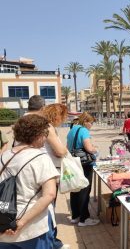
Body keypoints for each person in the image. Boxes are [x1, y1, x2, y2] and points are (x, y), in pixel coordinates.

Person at [0, 115, 59, 248]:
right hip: (32, 228)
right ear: (38, 135)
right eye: (45, 133)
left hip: (3, 225)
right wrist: (20, 222)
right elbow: (49, 194)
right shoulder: (40, 157)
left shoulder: (4, 156)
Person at [41, 104, 69, 249]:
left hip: (42, 170)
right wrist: (64, 149)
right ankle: (52, 243)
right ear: (56, 116)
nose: (63, 119)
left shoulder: (42, 126)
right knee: (49, 209)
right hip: (49, 172)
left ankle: (51, 241)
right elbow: (60, 151)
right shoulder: (49, 127)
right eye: (63, 116)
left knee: (46, 209)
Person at [66, 112, 99, 227]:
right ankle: (84, 219)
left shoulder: (72, 130)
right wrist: (95, 149)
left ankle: (75, 216)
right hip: (84, 163)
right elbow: (88, 148)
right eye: (90, 122)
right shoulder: (84, 130)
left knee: (75, 188)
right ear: (85, 121)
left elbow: (67, 147)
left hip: (73, 162)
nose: (91, 125)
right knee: (85, 190)